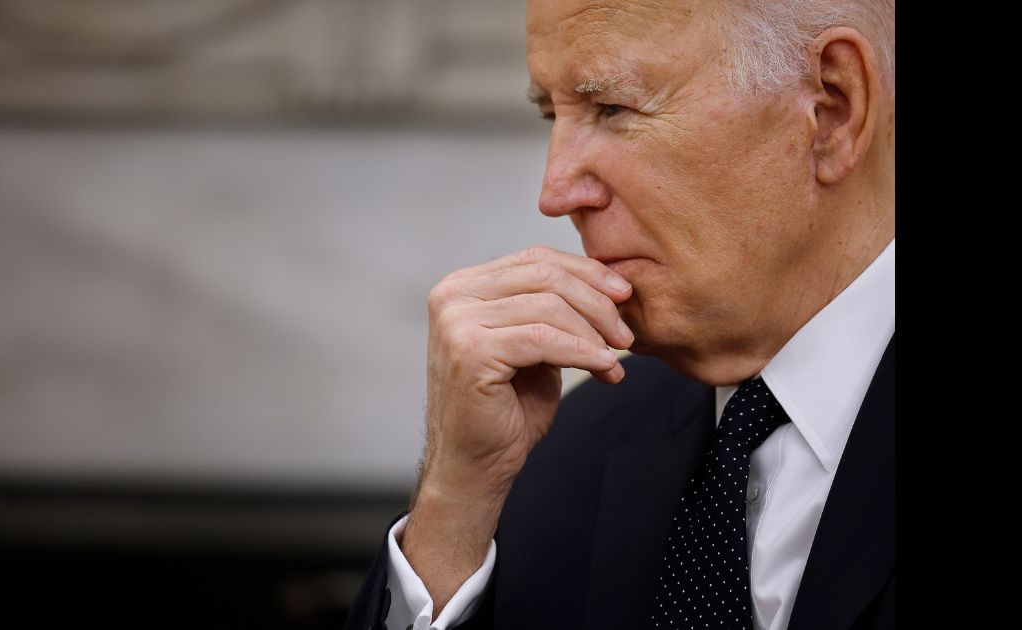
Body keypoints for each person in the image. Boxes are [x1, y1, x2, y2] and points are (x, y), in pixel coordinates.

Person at [345, 0, 894, 628]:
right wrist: (453, 511)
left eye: (613, 109)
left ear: (831, 108)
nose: (556, 192)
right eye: (553, 114)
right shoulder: (555, 456)